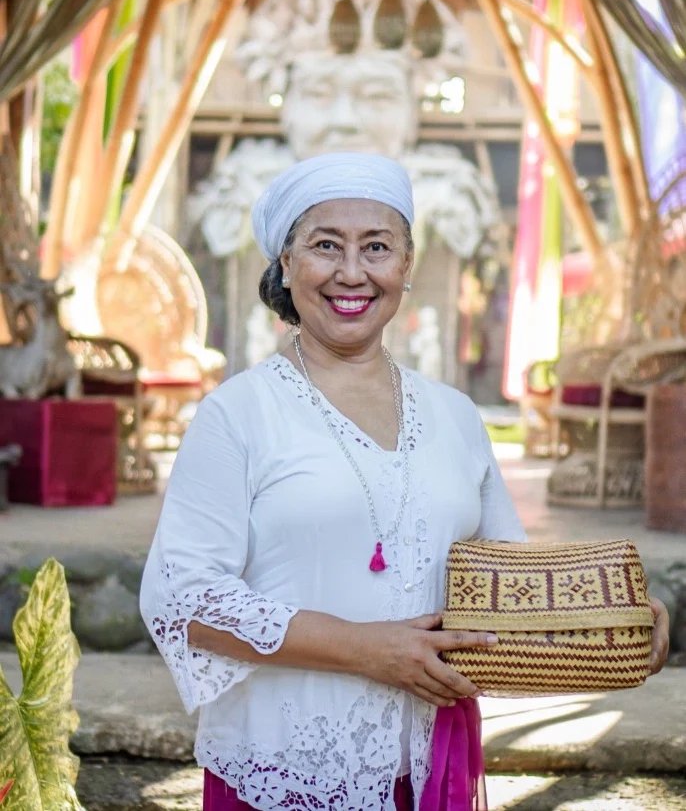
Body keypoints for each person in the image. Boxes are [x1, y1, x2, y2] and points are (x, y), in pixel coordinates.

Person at [140, 152, 670, 811]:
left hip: (424, 765)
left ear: (407, 264)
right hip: (283, 767)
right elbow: (184, 598)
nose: (352, 272)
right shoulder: (238, 414)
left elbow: (511, 582)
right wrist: (365, 648)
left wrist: (615, 623)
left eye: (378, 246)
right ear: (284, 263)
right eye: (325, 245)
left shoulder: (454, 414)